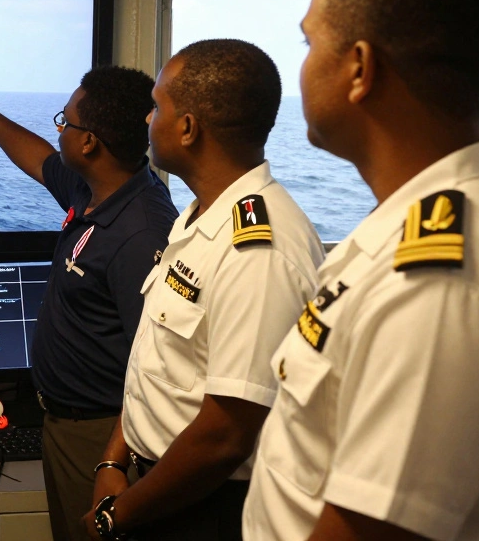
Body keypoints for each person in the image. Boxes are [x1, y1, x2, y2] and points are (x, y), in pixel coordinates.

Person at [242, 0, 479, 541]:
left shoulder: (435, 283)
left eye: (309, 42)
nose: (301, 65)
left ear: (359, 68)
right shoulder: (416, 228)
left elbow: (372, 529)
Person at [85, 40, 324, 541]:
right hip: (154, 485)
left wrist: (117, 515)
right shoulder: (198, 218)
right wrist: (113, 460)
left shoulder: (259, 251)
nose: (148, 120)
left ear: (188, 128)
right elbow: (158, 365)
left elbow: (226, 435)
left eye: (157, 107)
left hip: (205, 508)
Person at [0, 65, 178, 541]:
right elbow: (40, 159)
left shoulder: (142, 232)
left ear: (89, 143)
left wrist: (114, 458)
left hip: (102, 431)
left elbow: (154, 366)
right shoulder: (99, 189)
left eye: (64, 122)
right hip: (65, 421)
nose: (59, 130)